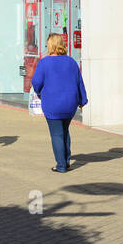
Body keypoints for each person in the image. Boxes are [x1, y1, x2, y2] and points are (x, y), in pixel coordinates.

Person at [31, 33, 88, 172]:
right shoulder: (71, 62)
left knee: (56, 134)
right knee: (64, 131)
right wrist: (82, 100)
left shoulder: (44, 62)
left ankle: (61, 165)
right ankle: (66, 160)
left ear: (50, 45)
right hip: (70, 104)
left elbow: (36, 82)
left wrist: (39, 91)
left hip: (53, 104)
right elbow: (79, 82)